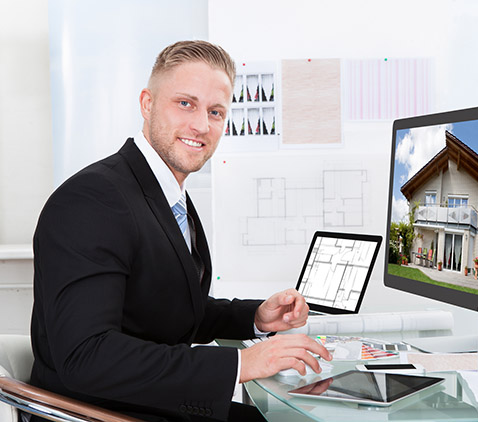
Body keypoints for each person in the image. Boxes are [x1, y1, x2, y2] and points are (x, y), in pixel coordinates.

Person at [30, 40, 332, 422]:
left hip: (144, 400)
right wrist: (238, 364)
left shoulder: (164, 196)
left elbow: (159, 307)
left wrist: (254, 317)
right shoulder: (93, 199)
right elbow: (87, 356)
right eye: (185, 103)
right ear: (147, 103)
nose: (201, 125)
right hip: (99, 412)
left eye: (216, 111)